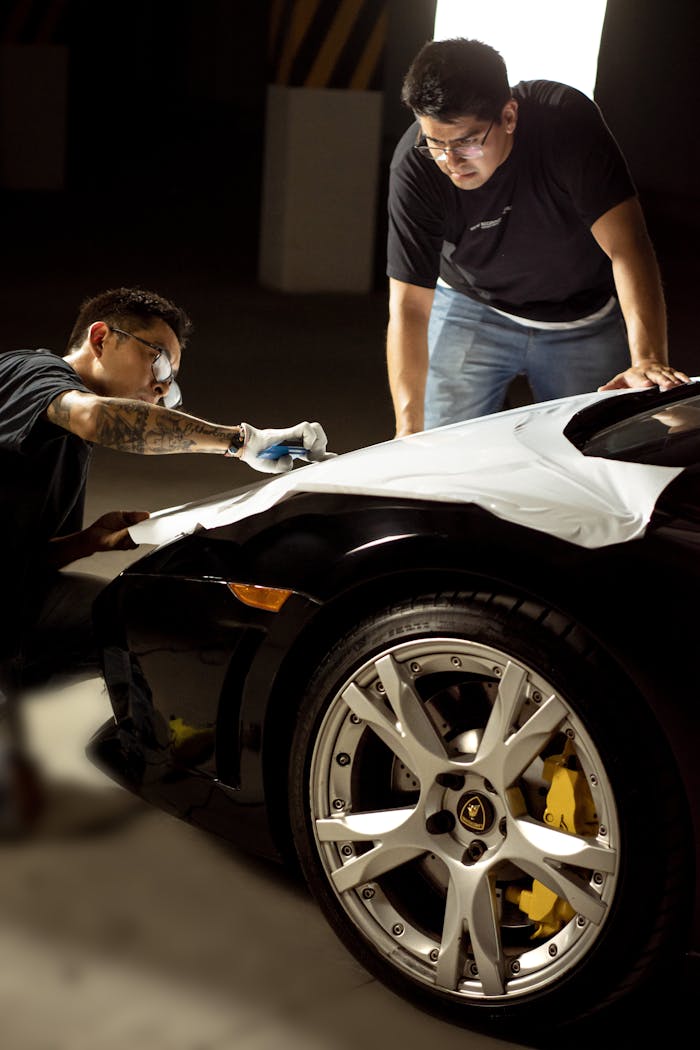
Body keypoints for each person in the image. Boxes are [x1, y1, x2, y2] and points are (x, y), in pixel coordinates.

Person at [0, 286, 329, 832]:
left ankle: (150, 755)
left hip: (14, 603)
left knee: (131, 616)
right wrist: (239, 443)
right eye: (157, 361)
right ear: (101, 338)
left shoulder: (64, 446)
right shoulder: (27, 375)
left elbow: (27, 559)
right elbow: (98, 419)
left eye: (170, 380)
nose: (160, 385)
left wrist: (91, 541)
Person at [386, 37, 690, 437]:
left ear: (509, 116)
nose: (450, 162)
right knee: (437, 450)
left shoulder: (565, 124)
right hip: (471, 308)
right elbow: (409, 307)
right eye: (436, 144)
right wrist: (409, 429)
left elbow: (627, 245)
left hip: (581, 318)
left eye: (466, 143)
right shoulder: (415, 164)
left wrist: (648, 358)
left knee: (597, 454)